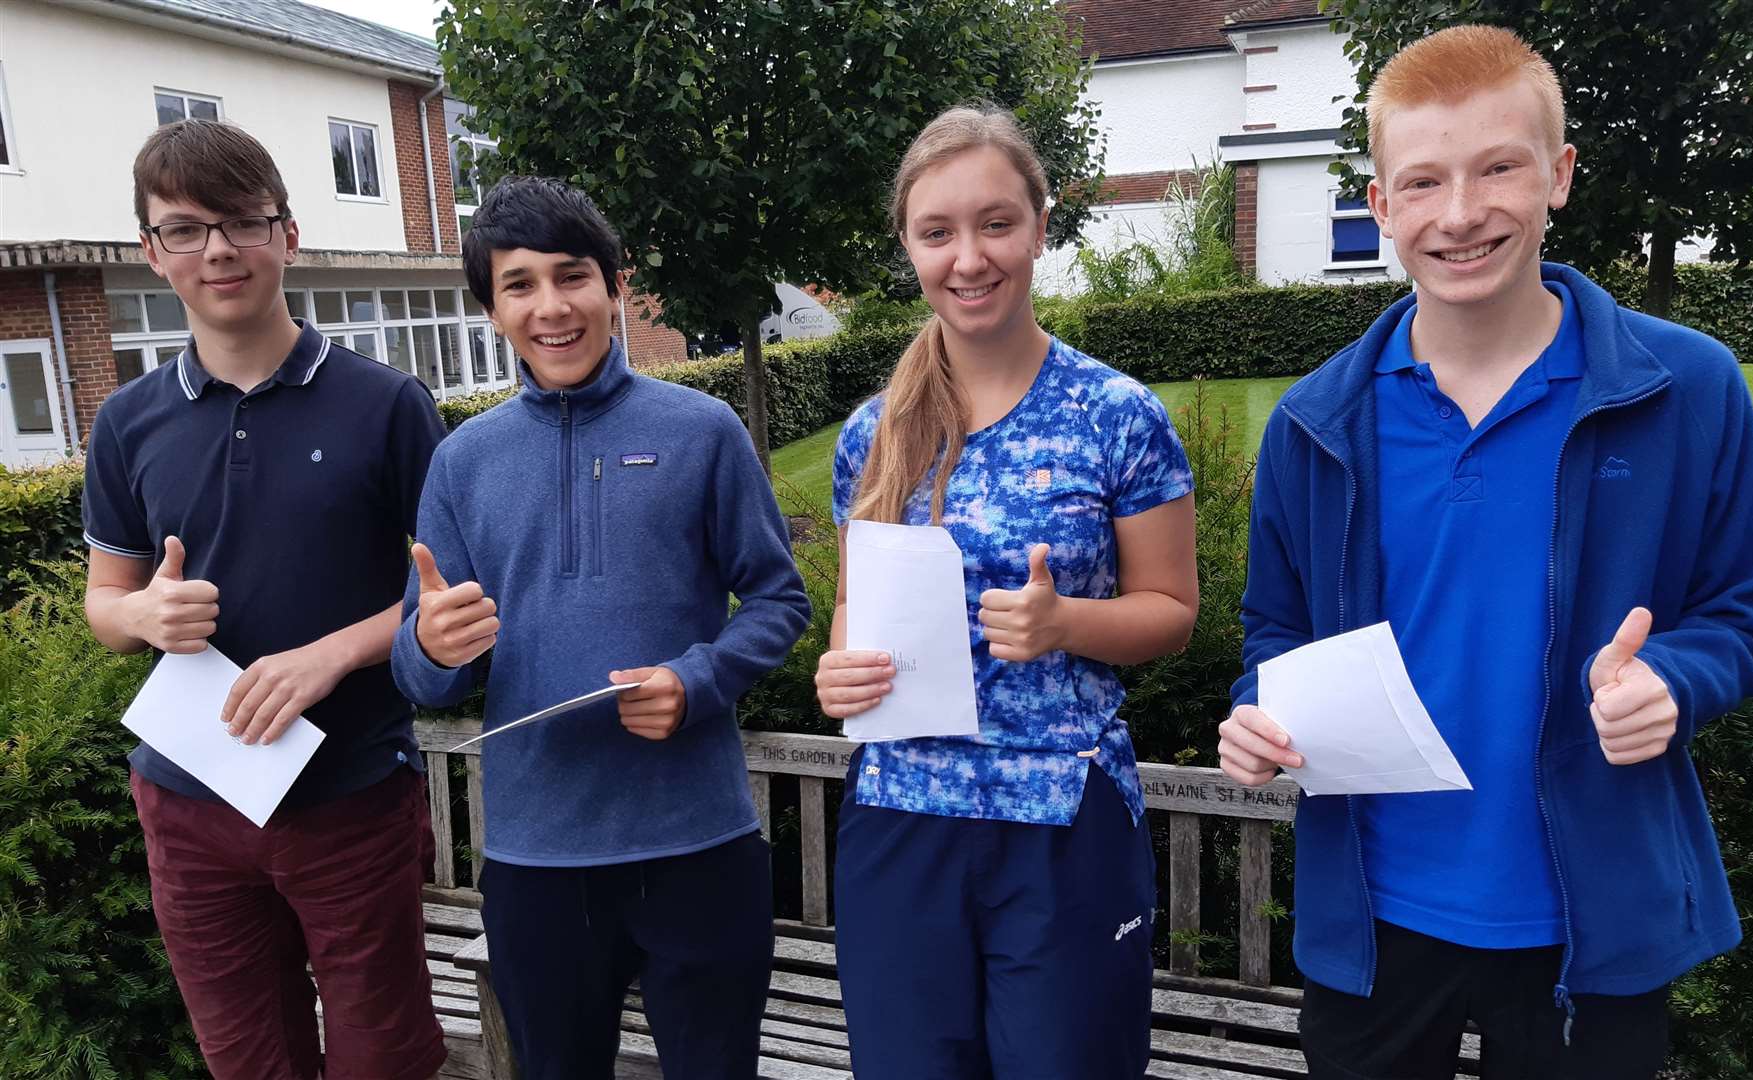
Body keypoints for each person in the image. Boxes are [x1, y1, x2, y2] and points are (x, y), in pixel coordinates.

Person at [1219, 25, 1753, 1079]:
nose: (1463, 212)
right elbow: (1277, 633)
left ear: (1558, 176)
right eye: (1422, 181)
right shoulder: (1312, 422)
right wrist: (1259, 715)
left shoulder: (1687, 389)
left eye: (1499, 168)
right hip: (1375, 920)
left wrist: (1677, 678)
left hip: (1591, 923)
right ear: (1380, 206)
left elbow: (1749, 606)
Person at [389, 175, 810, 1080]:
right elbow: (422, 677)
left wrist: (698, 682)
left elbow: (779, 600)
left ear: (617, 284)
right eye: (519, 284)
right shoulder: (462, 462)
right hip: (537, 859)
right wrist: (429, 645)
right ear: (490, 309)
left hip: (698, 845)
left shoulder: (702, 431)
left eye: (572, 275)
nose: (552, 307)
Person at [815, 105, 1200, 1079]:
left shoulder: (1118, 416)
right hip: (901, 820)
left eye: (995, 223)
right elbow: (859, 608)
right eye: (937, 232)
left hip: (1059, 826)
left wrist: (1066, 622)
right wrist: (840, 670)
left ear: (1039, 225)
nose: (969, 257)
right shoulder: (873, 433)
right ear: (907, 246)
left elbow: (1172, 611)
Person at [81, 119, 447, 1080]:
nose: (219, 250)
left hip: (351, 796)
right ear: (151, 254)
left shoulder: (386, 404)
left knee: (385, 1058)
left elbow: (447, 594)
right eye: (187, 229)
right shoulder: (127, 423)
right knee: (247, 1062)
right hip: (187, 803)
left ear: (286, 234)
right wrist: (142, 618)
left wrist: (333, 652)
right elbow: (104, 601)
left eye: (242, 222)